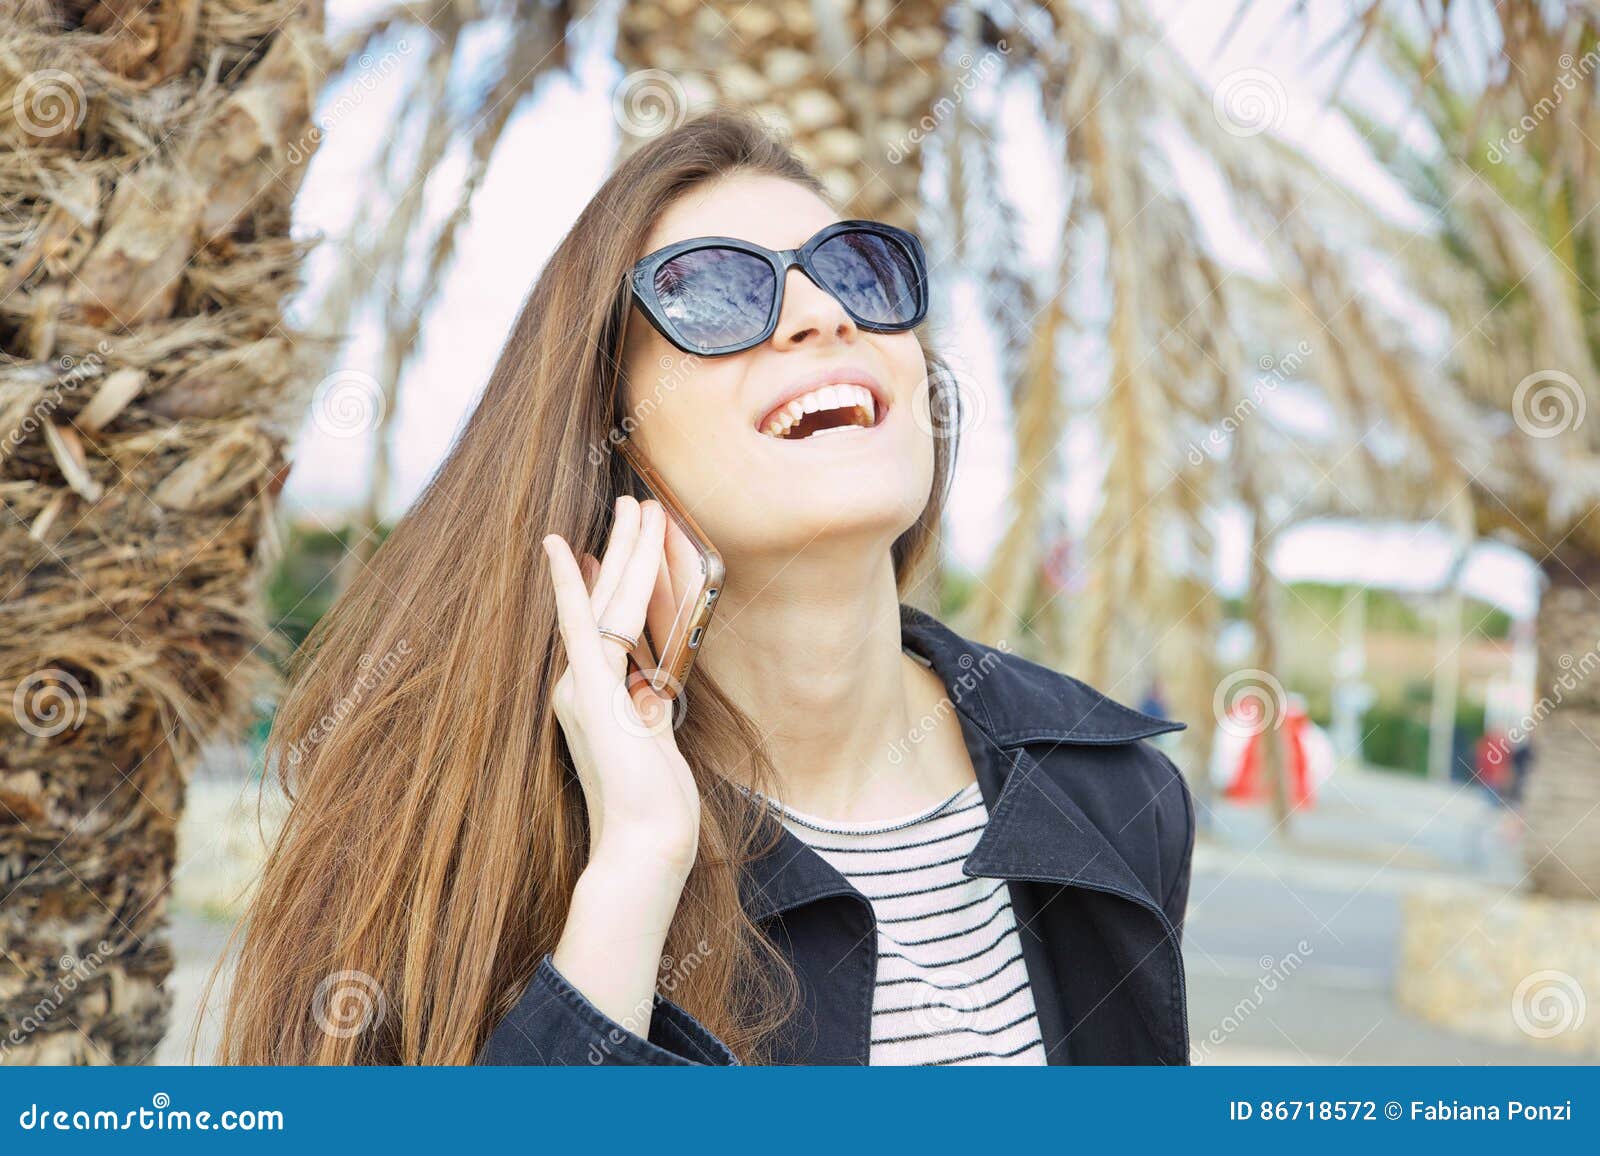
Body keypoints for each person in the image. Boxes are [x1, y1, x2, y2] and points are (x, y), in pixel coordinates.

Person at [217, 109, 1194, 1066]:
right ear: (614, 432)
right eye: (717, 293)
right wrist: (633, 871)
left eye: (856, 268)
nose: (823, 313)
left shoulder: (1109, 793)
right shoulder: (481, 838)